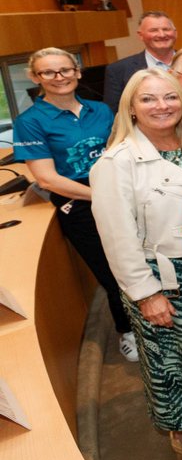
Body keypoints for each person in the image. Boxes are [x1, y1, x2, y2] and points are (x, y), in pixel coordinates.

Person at [91, 68, 182, 460]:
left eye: (170, 97)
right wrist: (146, 295)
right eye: (148, 99)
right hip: (164, 278)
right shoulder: (116, 163)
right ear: (131, 108)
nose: (162, 106)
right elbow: (117, 239)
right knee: (172, 358)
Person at [14, 48, 135, 360]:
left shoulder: (101, 110)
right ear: (35, 78)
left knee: (138, 261)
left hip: (119, 191)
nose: (59, 77)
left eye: (65, 70)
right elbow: (47, 179)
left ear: (77, 72)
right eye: (48, 72)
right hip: (80, 202)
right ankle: (128, 330)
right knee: (111, 272)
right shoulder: (30, 121)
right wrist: (104, 197)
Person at [103, 11, 178, 110]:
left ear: (175, 33)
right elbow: (113, 112)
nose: (162, 35)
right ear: (140, 35)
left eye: (166, 29)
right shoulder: (118, 70)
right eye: (153, 30)